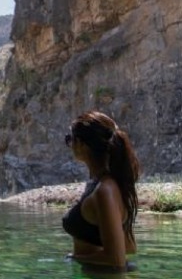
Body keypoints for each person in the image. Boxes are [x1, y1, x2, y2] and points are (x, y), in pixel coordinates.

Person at [62, 111, 140, 272]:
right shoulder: (102, 184)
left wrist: (75, 259)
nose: (69, 145)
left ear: (81, 144)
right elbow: (129, 246)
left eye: (70, 139)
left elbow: (116, 261)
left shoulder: (105, 191)